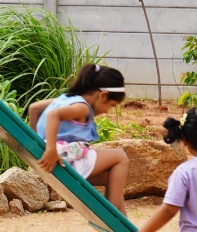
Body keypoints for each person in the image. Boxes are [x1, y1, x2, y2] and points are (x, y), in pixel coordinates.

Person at [27, 64, 129, 215]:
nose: (107, 111)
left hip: (60, 157)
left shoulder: (64, 99)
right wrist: (50, 150)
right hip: (65, 158)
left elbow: (34, 108)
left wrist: (37, 146)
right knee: (120, 156)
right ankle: (111, 215)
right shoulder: (83, 108)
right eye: (111, 105)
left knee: (113, 180)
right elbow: (53, 115)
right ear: (103, 96)